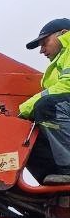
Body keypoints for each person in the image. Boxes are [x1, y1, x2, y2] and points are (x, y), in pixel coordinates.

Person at [21, 18, 70, 186]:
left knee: (47, 106)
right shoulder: (59, 63)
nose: (41, 50)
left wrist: (26, 107)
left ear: (64, 34)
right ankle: (52, 177)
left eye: (45, 42)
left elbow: (67, 84)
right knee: (24, 132)